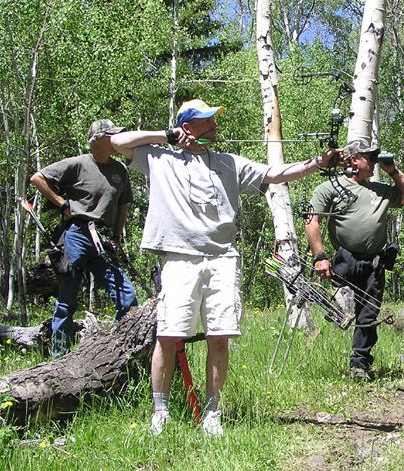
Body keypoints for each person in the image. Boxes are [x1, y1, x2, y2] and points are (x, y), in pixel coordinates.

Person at [110, 99, 337, 437]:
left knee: (219, 338)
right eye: (206, 121)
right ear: (188, 127)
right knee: (169, 336)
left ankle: (212, 414)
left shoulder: (228, 162)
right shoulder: (159, 158)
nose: (215, 125)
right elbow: (116, 142)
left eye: (215, 119)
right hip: (178, 257)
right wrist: (166, 136)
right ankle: (160, 412)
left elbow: (276, 174)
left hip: (222, 259)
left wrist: (320, 163)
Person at [304, 139, 404, 381]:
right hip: (344, 260)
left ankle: (359, 365)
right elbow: (312, 221)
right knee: (335, 309)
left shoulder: (381, 190)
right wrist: (320, 257)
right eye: (370, 157)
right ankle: (317, 348)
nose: (375, 161)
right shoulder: (331, 188)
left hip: (374, 263)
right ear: (354, 160)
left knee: (368, 315)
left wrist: (393, 171)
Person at [30, 119, 138, 359]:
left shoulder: (119, 170)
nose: (116, 140)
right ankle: (59, 359)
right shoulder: (79, 164)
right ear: (97, 139)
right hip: (78, 234)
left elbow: (123, 205)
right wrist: (61, 203)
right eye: (111, 135)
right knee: (67, 299)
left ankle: (117, 354)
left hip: (103, 237)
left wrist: (117, 237)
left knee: (127, 297)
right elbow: (37, 178)